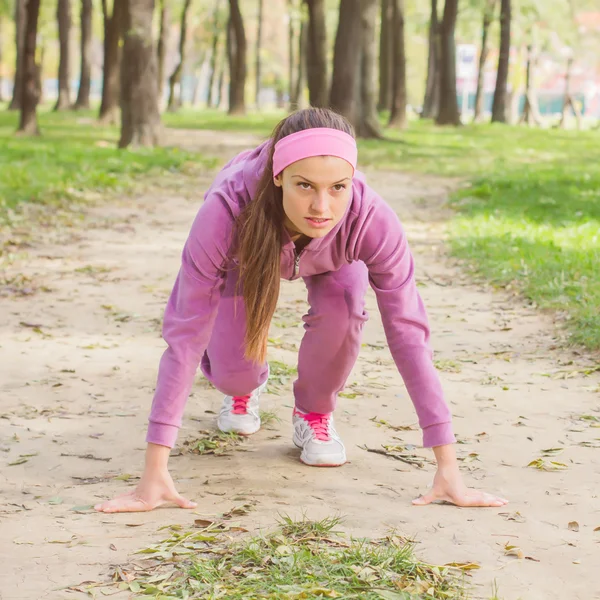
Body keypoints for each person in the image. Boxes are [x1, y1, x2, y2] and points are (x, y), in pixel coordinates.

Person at [95, 108, 508, 514]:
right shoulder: (227, 210)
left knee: (345, 310)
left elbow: (409, 335)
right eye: (305, 186)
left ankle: (313, 412)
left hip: (335, 262)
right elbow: (185, 335)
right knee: (233, 374)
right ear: (279, 177)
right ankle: (244, 388)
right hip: (251, 255)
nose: (322, 207)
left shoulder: (370, 219)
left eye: (338, 187)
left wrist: (448, 467)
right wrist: (154, 472)